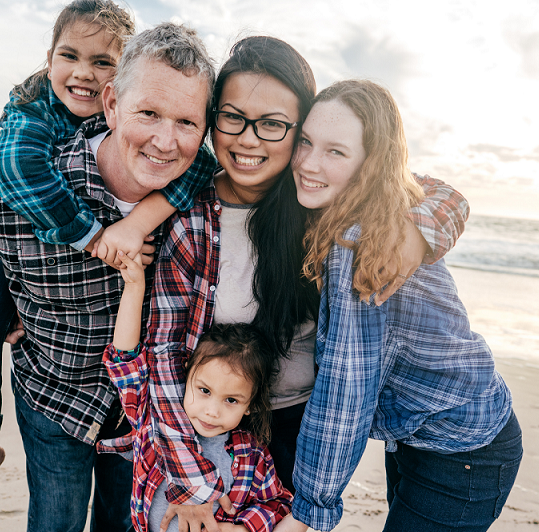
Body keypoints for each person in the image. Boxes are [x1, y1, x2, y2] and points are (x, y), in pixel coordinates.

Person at [145, 36, 471, 532]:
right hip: (210, 422)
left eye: (274, 125)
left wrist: (417, 233)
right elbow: (163, 354)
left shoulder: (321, 196)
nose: (249, 140)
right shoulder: (189, 215)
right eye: (232, 117)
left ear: (301, 130)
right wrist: (189, 481)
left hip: (306, 427)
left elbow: (426, 190)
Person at [0, 22, 216, 532]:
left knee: (122, 525)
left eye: (186, 122)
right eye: (148, 112)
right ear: (112, 105)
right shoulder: (21, 189)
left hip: (141, 414)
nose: (166, 141)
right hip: (54, 401)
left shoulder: (200, 200)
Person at [277, 79, 522, 532]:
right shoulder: (370, 205)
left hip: (464, 450)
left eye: (336, 152)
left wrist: (310, 510)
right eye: (306, 142)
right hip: (420, 434)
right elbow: (439, 189)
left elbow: (346, 390)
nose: (309, 163)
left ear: (372, 163)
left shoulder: (359, 242)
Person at [97, 250, 292, 532]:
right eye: (204, 390)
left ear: (250, 404)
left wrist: (243, 528)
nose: (212, 411)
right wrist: (135, 286)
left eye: (231, 400)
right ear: (186, 373)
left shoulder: (251, 453)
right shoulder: (153, 422)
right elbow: (125, 360)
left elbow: (278, 503)